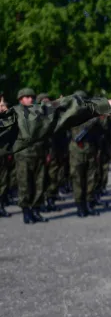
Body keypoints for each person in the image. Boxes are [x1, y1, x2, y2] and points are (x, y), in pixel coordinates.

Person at [69, 91, 107, 217]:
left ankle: (89, 204)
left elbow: (102, 129)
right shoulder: (71, 114)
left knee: (91, 178)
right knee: (78, 179)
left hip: (90, 150)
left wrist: (102, 115)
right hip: (77, 151)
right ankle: (80, 206)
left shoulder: (91, 115)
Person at [13, 88, 48, 223]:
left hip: (39, 153)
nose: (30, 99)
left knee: (39, 183)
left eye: (32, 97)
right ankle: (26, 212)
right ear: (20, 99)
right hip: (23, 155)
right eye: (27, 97)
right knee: (25, 184)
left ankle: (36, 210)